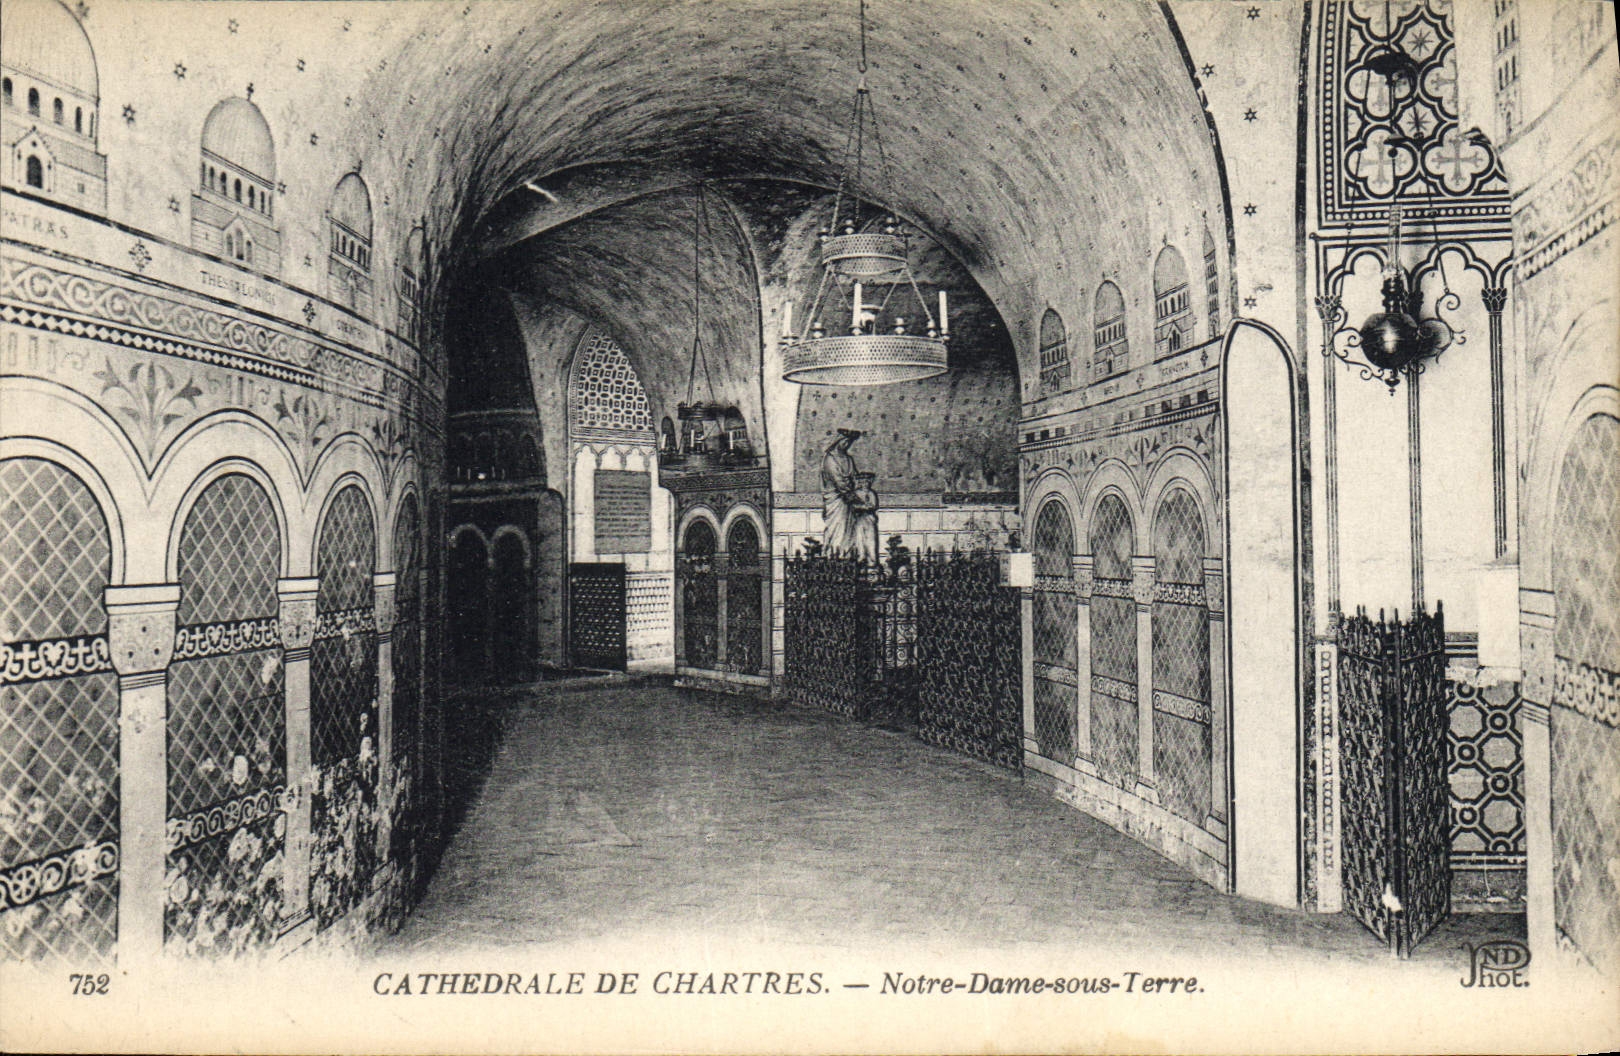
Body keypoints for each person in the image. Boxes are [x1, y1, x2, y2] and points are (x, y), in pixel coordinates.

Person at [821, 428, 863, 555]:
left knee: (849, 530)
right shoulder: (830, 459)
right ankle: (835, 556)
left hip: (849, 500)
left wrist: (857, 488)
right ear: (837, 441)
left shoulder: (848, 459)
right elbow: (838, 481)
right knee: (837, 529)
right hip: (836, 500)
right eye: (844, 442)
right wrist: (852, 496)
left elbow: (855, 477)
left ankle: (847, 555)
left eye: (849, 443)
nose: (846, 445)